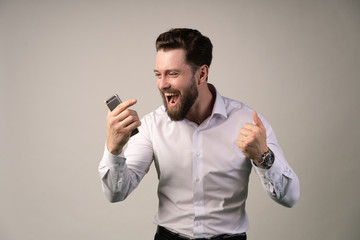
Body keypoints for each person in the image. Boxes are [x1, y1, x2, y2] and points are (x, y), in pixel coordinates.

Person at [99, 28, 300, 240]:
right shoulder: (151, 125)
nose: (162, 84)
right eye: (158, 74)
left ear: (202, 74)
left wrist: (264, 158)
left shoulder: (249, 123)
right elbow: (115, 193)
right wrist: (114, 149)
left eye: (173, 74)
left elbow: (290, 197)